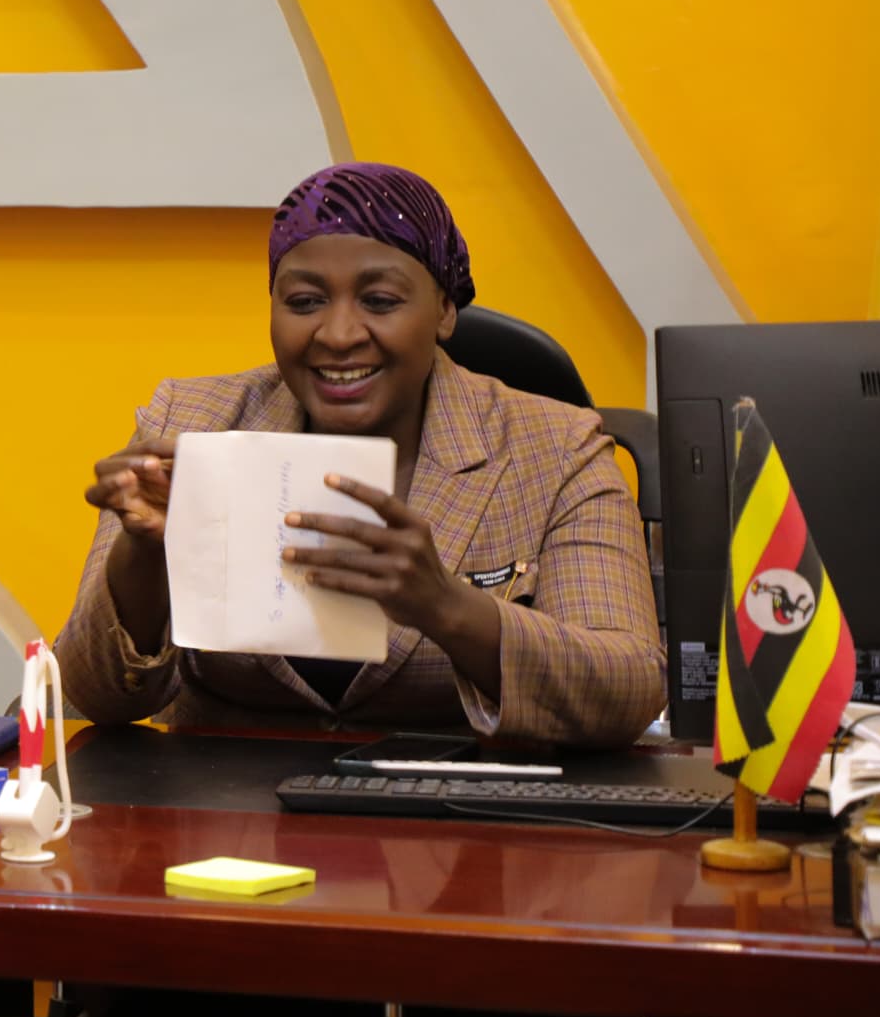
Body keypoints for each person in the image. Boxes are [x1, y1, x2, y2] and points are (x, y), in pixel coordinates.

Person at [55, 162, 663, 748]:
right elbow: (91, 696)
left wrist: (447, 607)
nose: (339, 334)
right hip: (221, 803)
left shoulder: (556, 447)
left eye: (380, 301)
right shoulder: (192, 424)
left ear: (444, 310)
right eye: (304, 302)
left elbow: (629, 688)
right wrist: (145, 555)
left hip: (454, 802)